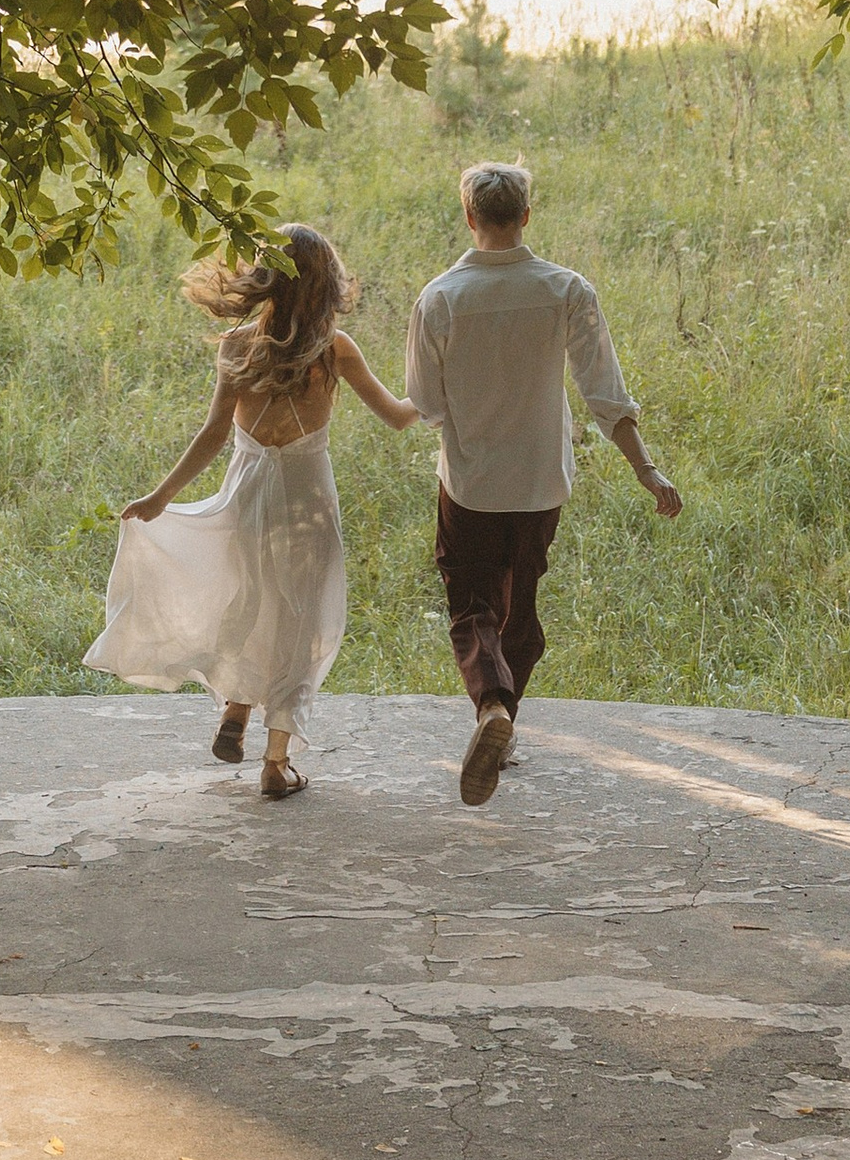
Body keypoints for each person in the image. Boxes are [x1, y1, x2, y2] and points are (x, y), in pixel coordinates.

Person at [85, 224, 418, 797]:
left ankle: (235, 712)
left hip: (247, 491)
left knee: (249, 596)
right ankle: (275, 763)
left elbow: (214, 432)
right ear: (325, 284)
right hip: (307, 495)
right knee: (302, 621)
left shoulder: (239, 343)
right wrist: (442, 392)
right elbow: (398, 415)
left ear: (265, 279)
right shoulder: (334, 349)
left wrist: (160, 497)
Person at [405, 160, 681, 806]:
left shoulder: (440, 298)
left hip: (471, 483)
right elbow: (604, 393)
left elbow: (425, 404)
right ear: (526, 215)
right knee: (518, 608)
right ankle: (504, 720)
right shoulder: (567, 290)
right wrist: (646, 468)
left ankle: (492, 711)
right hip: (540, 482)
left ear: (469, 217)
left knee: (473, 604)